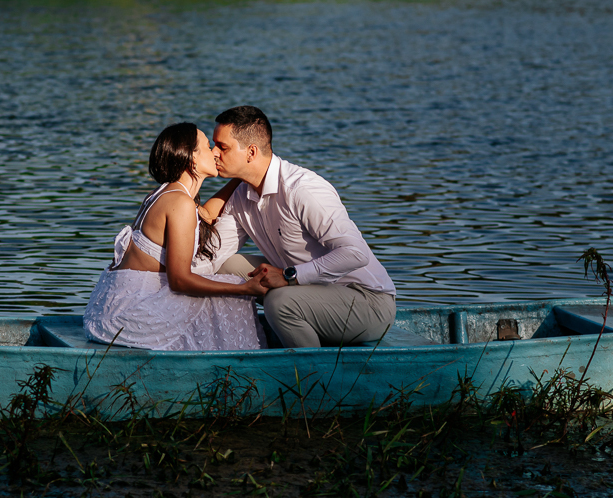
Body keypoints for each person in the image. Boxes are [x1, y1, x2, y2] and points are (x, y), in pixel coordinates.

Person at [203, 105, 396, 348]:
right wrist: (168, 275)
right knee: (225, 267)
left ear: (251, 152)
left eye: (222, 147)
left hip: (367, 302)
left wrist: (289, 277)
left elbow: (355, 253)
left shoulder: (302, 189)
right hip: (309, 291)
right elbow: (212, 253)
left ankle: (312, 378)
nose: (213, 153)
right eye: (213, 145)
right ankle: (247, 341)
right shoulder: (242, 195)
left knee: (280, 302)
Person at [83, 122, 268, 351]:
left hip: (105, 310)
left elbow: (208, 214)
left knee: (223, 286)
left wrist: (241, 176)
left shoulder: (166, 193)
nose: (215, 153)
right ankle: (236, 369)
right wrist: (246, 289)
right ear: (192, 158)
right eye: (208, 146)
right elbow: (179, 280)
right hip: (125, 317)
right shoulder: (180, 203)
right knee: (234, 288)